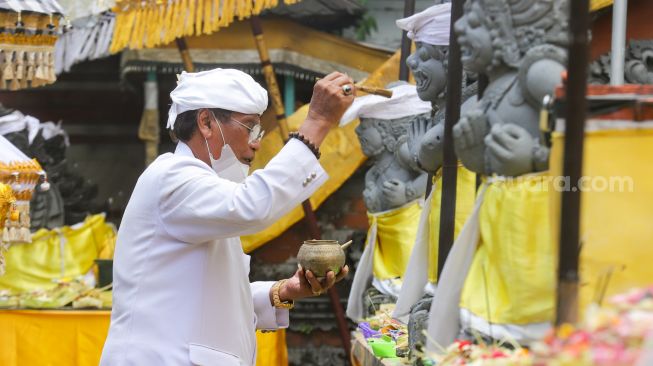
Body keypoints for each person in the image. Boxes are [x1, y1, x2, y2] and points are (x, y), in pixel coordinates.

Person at [100, 68, 354, 365]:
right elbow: (253, 206)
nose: (257, 143)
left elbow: (214, 296)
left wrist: (283, 291)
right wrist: (317, 122)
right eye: (250, 128)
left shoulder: (204, 189)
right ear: (206, 122)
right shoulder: (172, 177)